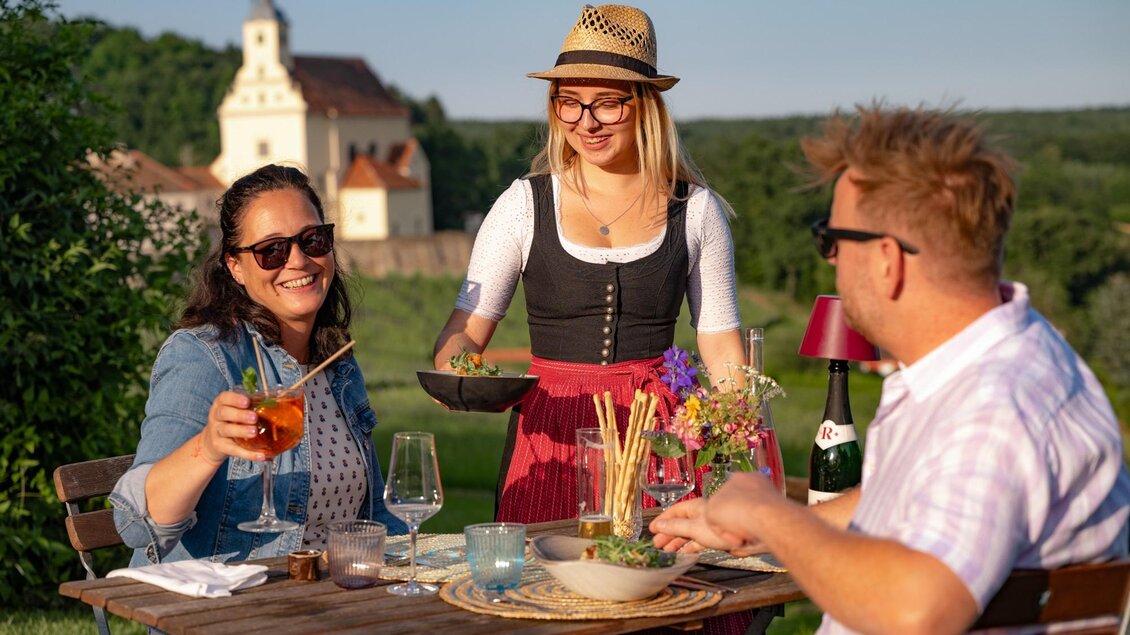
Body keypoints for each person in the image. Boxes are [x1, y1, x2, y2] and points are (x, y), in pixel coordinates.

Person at [650, 105, 1130, 634]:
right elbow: (902, 498)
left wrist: (770, 513)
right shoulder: (1004, 359)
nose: (830, 260)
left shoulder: (992, 410)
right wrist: (756, 530)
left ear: (886, 260)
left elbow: (917, 612)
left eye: (830, 240)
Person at [431, 3, 745, 525]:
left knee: (656, 584)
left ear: (645, 106)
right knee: (546, 588)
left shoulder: (696, 209)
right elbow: (463, 335)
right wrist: (458, 375)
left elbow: (721, 345)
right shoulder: (521, 206)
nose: (586, 122)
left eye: (607, 104)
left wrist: (736, 445)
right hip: (549, 434)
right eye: (568, 104)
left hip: (656, 432)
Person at [112, 164, 405, 566]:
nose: (298, 261)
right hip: (227, 607)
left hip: (331, 599)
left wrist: (431, 558)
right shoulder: (203, 357)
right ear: (235, 267)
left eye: (312, 240)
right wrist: (209, 447)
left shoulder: (337, 365)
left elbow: (372, 513)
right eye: (272, 250)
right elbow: (135, 525)